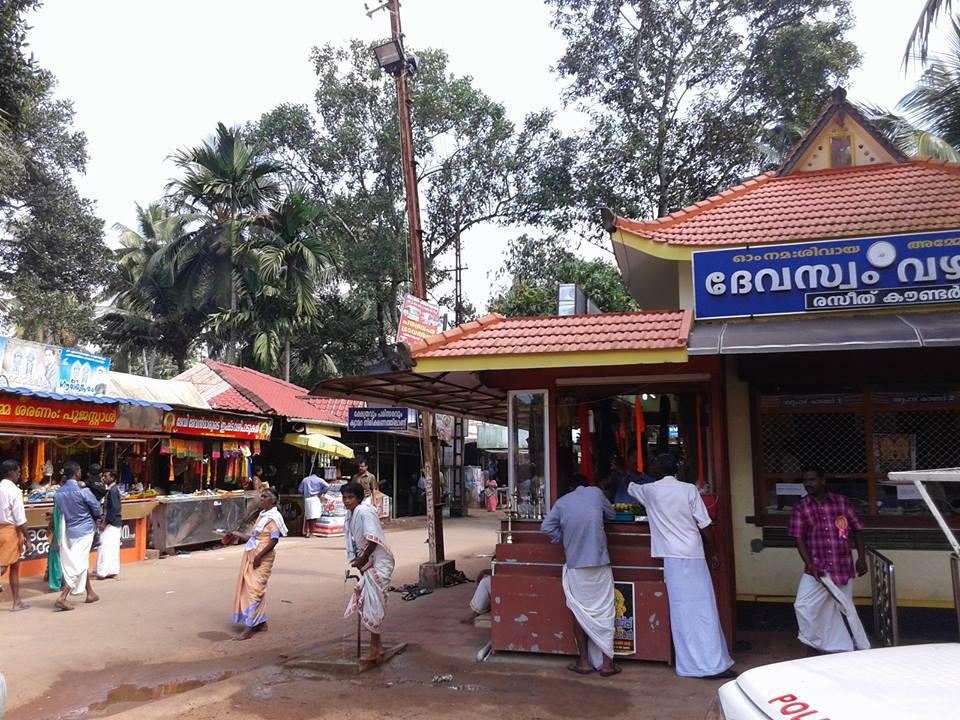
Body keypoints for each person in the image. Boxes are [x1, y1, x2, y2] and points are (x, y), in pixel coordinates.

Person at [627, 453, 734, 679]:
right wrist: (713, 551)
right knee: (705, 609)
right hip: (694, 554)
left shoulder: (650, 491)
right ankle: (714, 662)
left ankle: (692, 665)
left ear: (656, 470)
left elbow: (632, 484)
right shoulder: (688, 489)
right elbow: (705, 524)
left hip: (672, 559)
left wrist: (623, 468)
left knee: (682, 612)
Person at [540, 473, 619, 677]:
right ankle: (608, 664)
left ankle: (583, 662)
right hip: (600, 562)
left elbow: (546, 527)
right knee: (605, 611)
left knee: (579, 612)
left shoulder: (562, 502)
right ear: (587, 485)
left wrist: (565, 539)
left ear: (571, 488)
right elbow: (612, 515)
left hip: (576, 565)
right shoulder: (596, 493)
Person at [788, 466, 869, 654]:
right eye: (805, 481)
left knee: (843, 608)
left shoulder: (841, 503)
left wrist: (861, 558)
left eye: (812, 480)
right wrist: (809, 563)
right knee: (804, 606)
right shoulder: (801, 507)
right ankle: (818, 644)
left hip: (842, 566)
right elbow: (797, 538)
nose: (808, 484)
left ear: (823, 480)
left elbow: (857, 529)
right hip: (817, 568)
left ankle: (843, 648)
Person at [342, 481, 395, 662]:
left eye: (350, 497)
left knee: (373, 605)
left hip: (378, 562)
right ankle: (377, 647)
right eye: (345, 497)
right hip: (367, 563)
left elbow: (373, 539)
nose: (347, 501)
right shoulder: (350, 515)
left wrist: (363, 559)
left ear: (358, 498)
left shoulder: (365, 511)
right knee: (369, 603)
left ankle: (373, 650)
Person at [228, 487, 288, 640]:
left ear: (273, 500)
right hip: (252, 554)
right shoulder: (262, 515)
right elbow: (253, 537)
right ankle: (260, 621)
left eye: (265, 496)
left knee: (254, 590)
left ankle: (249, 627)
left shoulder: (273, 517)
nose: (262, 499)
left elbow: (274, 540)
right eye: (261, 496)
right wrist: (237, 535)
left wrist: (260, 556)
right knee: (252, 588)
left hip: (261, 556)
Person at [54, 460, 101, 611]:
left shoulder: (58, 493)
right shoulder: (83, 491)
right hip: (85, 529)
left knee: (80, 560)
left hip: (69, 531)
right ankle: (63, 597)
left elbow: (59, 510)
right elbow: (97, 508)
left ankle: (90, 592)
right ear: (77, 472)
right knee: (78, 563)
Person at [0, 459, 31, 611]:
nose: (19, 474)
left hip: (2, 530)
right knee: (5, 566)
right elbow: (20, 519)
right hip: (11, 531)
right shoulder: (14, 491)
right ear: (11, 472)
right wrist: (29, 538)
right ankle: (16, 602)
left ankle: (17, 601)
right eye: (18, 471)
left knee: (13, 565)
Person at [95, 471, 122, 580]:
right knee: (112, 547)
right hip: (113, 522)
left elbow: (114, 509)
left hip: (111, 523)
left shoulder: (113, 491)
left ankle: (102, 571)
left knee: (104, 546)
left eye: (106, 476)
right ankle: (111, 570)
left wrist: (105, 523)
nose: (104, 478)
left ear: (112, 478)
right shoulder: (111, 490)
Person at [298, 471, 330, 538]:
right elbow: (327, 486)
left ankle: (307, 531)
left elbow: (300, 490)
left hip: (307, 499)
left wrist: (304, 493)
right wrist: (321, 492)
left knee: (308, 516)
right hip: (315, 498)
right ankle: (311, 533)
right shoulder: (319, 480)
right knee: (314, 516)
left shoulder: (305, 480)